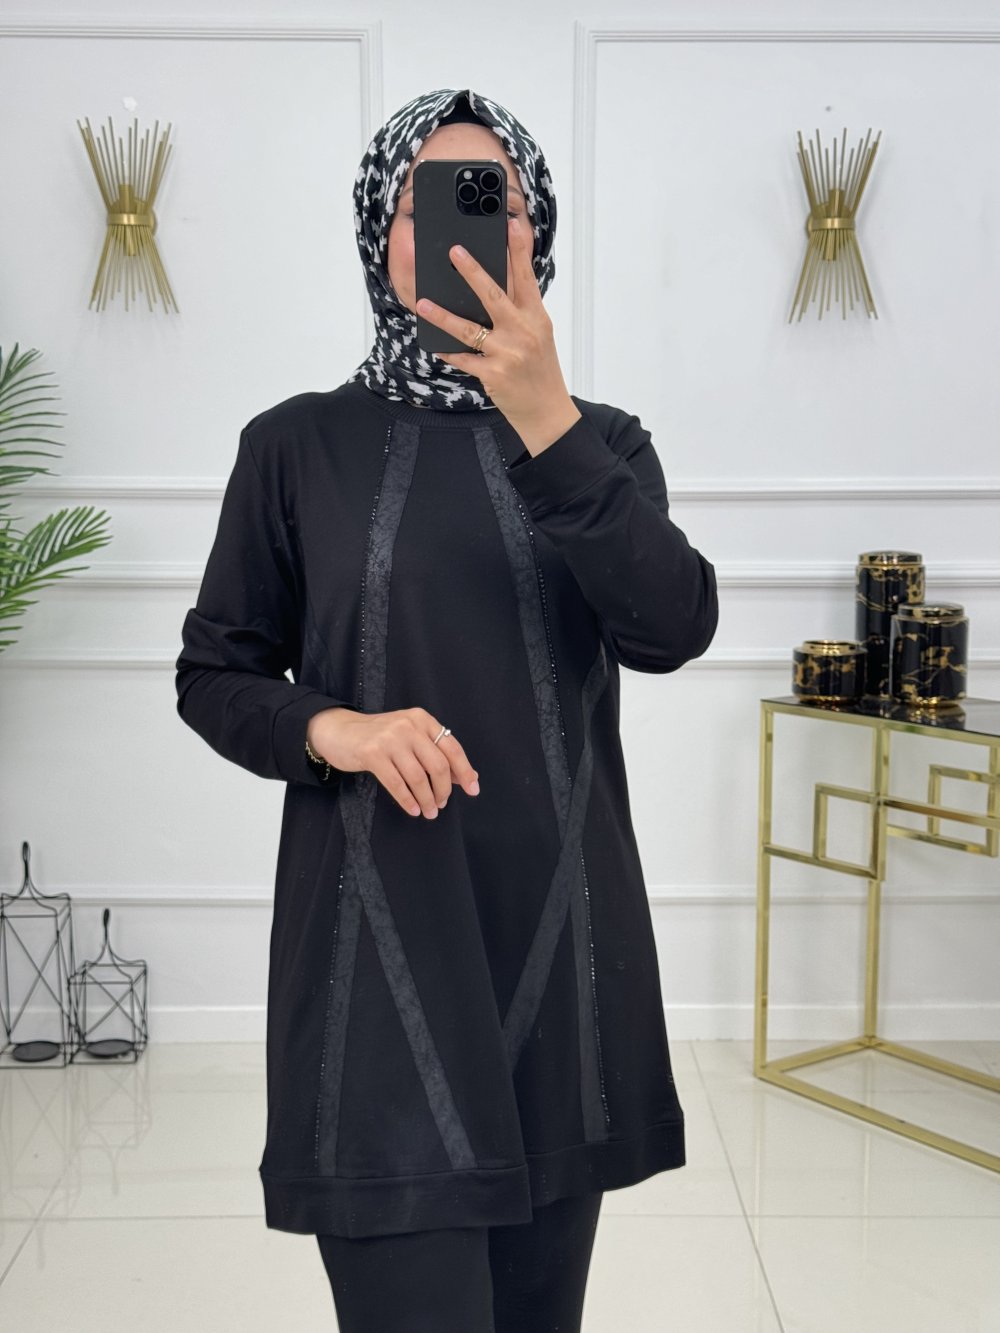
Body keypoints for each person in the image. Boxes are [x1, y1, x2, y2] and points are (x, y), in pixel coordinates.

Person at [175, 86, 719, 1332]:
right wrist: (335, 728)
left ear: (540, 235)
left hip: (557, 955)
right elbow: (215, 673)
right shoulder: (295, 447)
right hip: (375, 959)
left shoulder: (604, 442)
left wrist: (547, 419)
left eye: (498, 201)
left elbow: (673, 627)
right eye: (431, 202)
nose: (467, 231)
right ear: (382, 232)